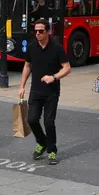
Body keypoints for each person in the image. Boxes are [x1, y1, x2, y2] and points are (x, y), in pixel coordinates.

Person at [18, 19, 72, 165]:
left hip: (51, 92)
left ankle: (52, 151)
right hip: (35, 91)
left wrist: (53, 77)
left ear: (48, 31)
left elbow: (67, 68)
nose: (37, 34)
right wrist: (22, 86)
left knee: (49, 122)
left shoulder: (57, 48)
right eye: (35, 31)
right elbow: (27, 66)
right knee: (32, 120)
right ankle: (42, 142)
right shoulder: (31, 47)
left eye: (41, 31)